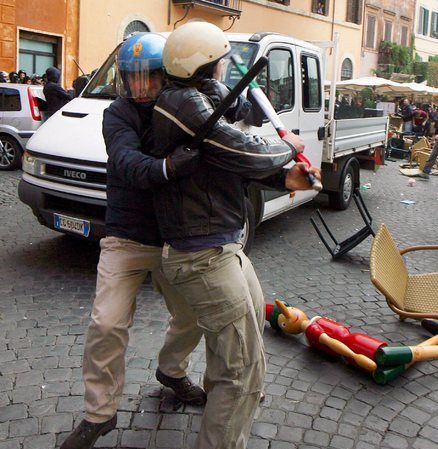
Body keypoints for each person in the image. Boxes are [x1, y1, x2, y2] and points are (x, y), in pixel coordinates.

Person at [150, 22, 320, 449]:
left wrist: (286, 178)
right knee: (241, 370)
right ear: (205, 65)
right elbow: (243, 152)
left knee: (243, 349)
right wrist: (287, 146)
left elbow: (224, 166)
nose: (227, 67)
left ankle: (219, 407)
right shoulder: (184, 104)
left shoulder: (195, 101)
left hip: (220, 244)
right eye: (222, 60)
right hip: (203, 254)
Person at [60, 33, 206, 449]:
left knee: (193, 314)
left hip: (175, 237)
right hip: (126, 237)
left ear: (166, 75)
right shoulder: (117, 114)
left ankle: (172, 371)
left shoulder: (182, 105)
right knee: (106, 323)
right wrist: (169, 167)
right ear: (124, 80)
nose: (141, 88)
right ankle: (99, 413)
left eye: (150, 78)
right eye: (133, 79)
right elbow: (127, 163)